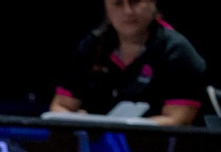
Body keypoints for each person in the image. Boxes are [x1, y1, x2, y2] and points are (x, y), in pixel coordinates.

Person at [50, 0, 204, 126]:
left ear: (153, 3)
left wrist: (122, 130)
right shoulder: (92, 46)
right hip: (96, 150)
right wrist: (76, 121)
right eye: (118, 4)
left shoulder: (177, 51)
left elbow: (178, 121)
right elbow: (60, 106)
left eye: (135, 2)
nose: (128, 11)